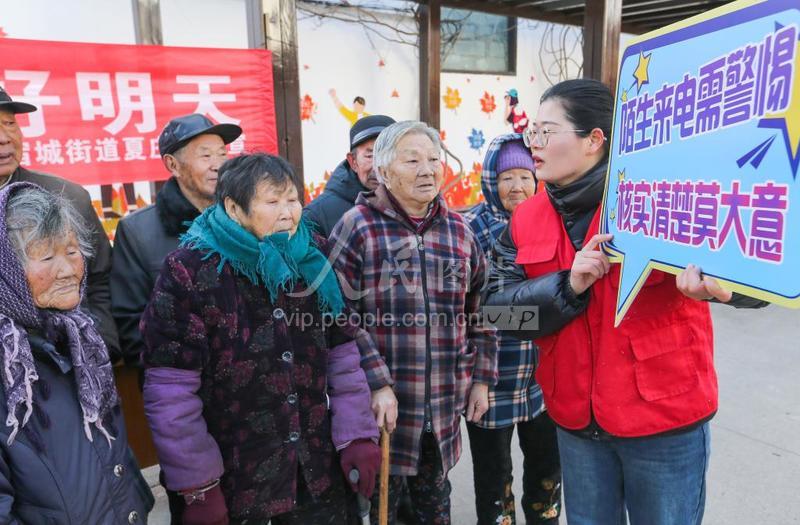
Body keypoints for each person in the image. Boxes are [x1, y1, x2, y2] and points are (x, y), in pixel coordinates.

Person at [484, 79, 767, 525]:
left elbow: (761, 272)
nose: (533, 144)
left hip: (663, 421)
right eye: (531, 132)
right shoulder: (524, 217)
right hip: (576, 423)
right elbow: (498, 311)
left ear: (594, 140)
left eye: (547, 132)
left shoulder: (667, 198)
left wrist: (727, 289)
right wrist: (567, 287)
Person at [141, 153, 381, 524]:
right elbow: (171, 393)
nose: (288, 212)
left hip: (316, 470)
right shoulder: (190, 270)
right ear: (234, 208)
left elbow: (343, 352)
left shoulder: (311, 251)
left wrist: (356, 434)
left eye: (292, 199)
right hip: (239, 481)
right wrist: (198, 485)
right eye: (273, 201)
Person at [328, 120, 498, 524]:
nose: (427, 170)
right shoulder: (358, 226)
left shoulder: (460, 230)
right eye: (412, 160)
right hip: (385, 410)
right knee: (384, 511)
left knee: (434, 510)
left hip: (441, 406)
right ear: (383, 172)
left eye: (433, 159)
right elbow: (338, 316)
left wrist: (482, 378)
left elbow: (484, 309)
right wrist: (377, 380)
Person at [0, 182, 154, 523]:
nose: (69, 269)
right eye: (46, 256)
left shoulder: (79, 335)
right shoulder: (9, 363)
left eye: (72, 251)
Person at [463, 135, 561, 524]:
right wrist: (546, 313)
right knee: (494, 480)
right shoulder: (469, 228)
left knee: (547, 474)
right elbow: (472, 311)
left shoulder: (553, 219)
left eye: (525, 175)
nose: (517, 186)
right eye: (507, 178)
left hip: (546, 376)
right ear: (490, 181)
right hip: (490, 378)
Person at [111, 113, 242, 366]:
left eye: (222, 154)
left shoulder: (245, 218)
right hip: (180, 382)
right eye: (206, 156)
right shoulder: (137, 231)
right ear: (173, 165)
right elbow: (130, 326)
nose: (218, 165)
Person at [0, 86, 119, 358]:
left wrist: (102, 343)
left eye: (10, 124)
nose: (4, 138)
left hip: (71, 358)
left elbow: (101, 277)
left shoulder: (66, 196)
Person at [303, 114, 395, 237]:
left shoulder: (419, 206)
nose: (379, 167)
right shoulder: (317, 215)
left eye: (387, 156)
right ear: (353, 162)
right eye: (370, 156)